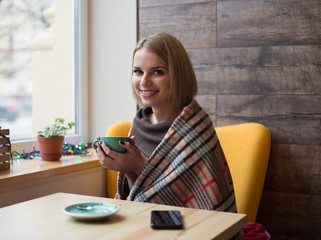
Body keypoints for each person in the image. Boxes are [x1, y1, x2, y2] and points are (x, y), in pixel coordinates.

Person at [96, 32, 237, 213]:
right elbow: (139, 195)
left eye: (157, 72)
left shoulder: (195, 127)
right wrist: (129, 169)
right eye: (138, 71)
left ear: (178, 75)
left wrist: (140, 165)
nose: (144, 82)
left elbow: (193, 206)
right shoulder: (139, 125)